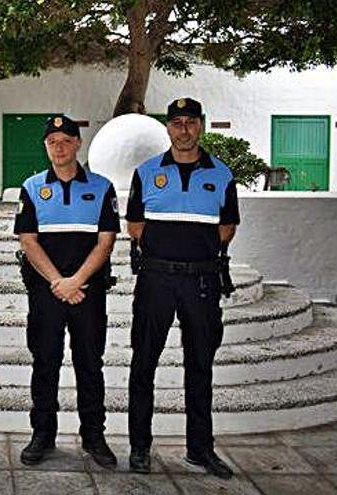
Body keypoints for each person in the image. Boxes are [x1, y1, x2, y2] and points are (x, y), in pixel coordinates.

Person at [126, 97, 239, 479]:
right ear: (168, 128)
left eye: (191, 122)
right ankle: (140, 447)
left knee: (200, 367)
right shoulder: (146, 172)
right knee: (143, 364)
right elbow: (136, 227)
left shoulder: (221, 174)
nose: (184, 129)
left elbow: (227, 227)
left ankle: (200, 449)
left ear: (201, 126)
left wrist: (195, 254)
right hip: (156, 280)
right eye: (177, 123)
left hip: (202, 282)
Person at [14, 114, 120, 469]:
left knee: (90, 364)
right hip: (47, 293)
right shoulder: (31, 188)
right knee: (45, 363)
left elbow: (106, 241)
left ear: (78, 143)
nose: (58, 147)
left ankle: (94, 436)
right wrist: (59, 282)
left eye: (65, 140)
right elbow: (28, 241)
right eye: (52, 142)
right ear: (46, 147)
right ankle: (42, 434)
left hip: (88, 292)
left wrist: (76, 281)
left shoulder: (102, 187)